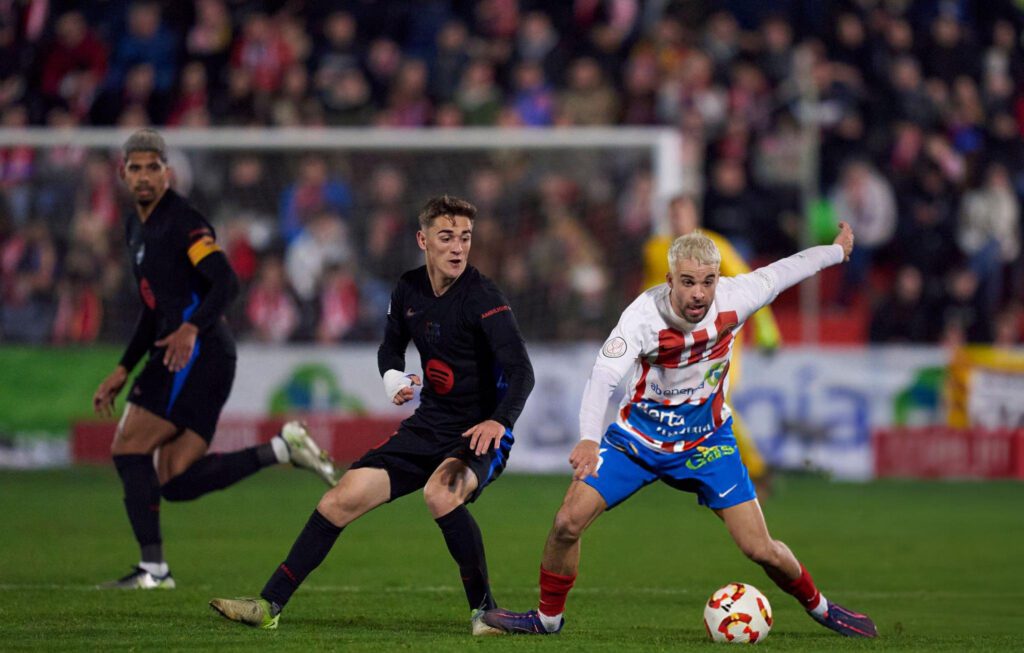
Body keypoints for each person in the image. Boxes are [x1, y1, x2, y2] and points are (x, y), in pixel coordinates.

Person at [482, 222, 878, 638]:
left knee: (760, 548)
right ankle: (547, 620)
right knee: (567, 523)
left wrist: (835, 251)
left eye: (707, 282)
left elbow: (787, 269)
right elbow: (603, 376)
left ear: (718, 279)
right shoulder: (642, 317)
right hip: (636, 441)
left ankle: (821, 609)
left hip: (707, 442)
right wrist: (588, 438)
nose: (699, 294)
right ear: (670, 279)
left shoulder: (737, 297)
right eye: (688, 282)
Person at [210, 195, 535, 633]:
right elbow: (390, 348)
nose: (458, 247)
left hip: (479, 432)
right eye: (447, 237)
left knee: (440, 495)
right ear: (423, 240)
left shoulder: (483, 295)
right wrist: (393, 380)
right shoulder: (408, 290)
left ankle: (485, 612)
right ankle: (268, 606)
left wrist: (499, 421)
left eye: (465, 238)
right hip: (428, 426)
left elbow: (521, 372)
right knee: (337, 499)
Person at [93, 129, 338, 590]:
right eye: (135, 168)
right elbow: (153, 310)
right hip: (190, 351)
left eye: (153, 167)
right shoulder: (135, 229)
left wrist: (189, 329)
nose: (144, 176)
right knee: (176, 481)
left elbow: (225, 282)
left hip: (196, 351)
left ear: (167, 172)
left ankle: (153, 571)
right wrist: (123, 369)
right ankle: (282, 449)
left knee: (128, 449)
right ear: (123, 174)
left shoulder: (183, 222)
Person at [642, 194, 779, 490]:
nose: (679, 220)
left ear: (694, 216)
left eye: (684, 213)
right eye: (674, 214)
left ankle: (755, 469)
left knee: (718, 398)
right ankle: (706, 468)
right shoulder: (656, 250)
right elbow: (650, 293)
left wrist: (767, 327)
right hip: (681, 343)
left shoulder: (714, 247)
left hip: (720, 338)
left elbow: (752, 284)